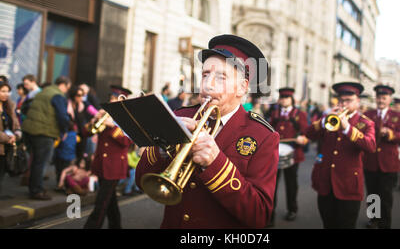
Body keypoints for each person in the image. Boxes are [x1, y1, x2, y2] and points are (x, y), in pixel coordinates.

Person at [135, 34, 280, 228]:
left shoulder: (262, 136)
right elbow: (141, 180)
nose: (207, 85)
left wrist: (215, 163)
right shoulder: (180, 115)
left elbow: (259, 215)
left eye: (220, 77)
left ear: (242, 88)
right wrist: (162, 146)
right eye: (205, 75)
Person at [305, 82, 376, 229]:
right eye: (341, 100)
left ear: (357, 101)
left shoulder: (365, 123)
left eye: (349, 101)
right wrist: (324, 120)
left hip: (348, 185)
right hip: (325, 182)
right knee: (328, 223)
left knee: (346, 225)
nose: (344, 104)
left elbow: (371, 146)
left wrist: (348, 128)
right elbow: (309, 134)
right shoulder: (328, 118)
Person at [84, 85, 134, 229]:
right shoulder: (105, 113)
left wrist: (112, 126)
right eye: (111, 97)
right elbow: (87, 133)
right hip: (101, 164)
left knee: (101, 204)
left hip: (114, 167)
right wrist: (94, 120)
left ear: (121, 100)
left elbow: (126, 142)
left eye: (114, 98)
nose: (111, 100)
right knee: (110, 201)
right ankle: (116, 225)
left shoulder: (127, 117)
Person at [363, 85, 400, 229]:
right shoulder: (368, 114)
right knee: (372, 195)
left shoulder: (398, 116)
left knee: (386, 197)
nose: (380, 101)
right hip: (371, 162)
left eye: (384, 98)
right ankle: (373, 219)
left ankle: (384, 224)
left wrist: (390, 133)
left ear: (389, 100)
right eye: (379, 98)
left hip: (389, 164)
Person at [21, 76, 71, 200]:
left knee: (35, 161)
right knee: (41, 162)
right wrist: (64, 130)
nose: (66, 91)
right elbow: (62, 116)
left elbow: (26, 108)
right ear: (64, 85)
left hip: (30, 130)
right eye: (67, 88)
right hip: (44, 132)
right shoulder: (58, 95)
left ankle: (34, 187)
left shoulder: (44, 92)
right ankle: (36, 190)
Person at [268, 87, 309, 224]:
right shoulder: (274, 113)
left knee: (291, 184)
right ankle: (270, 214)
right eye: (282, 97)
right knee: (272, 185)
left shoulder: (300, 114)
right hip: (275, 153)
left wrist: (301, 138)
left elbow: (305, 133)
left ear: (291, 99)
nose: (284, 100)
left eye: (286, 97)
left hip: (293, 154)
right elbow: (269, 129)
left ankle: (292, 209)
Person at [0, 81, 22, 196]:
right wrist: (6, 138)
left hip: (6, 149)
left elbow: (17, 125)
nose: (6, 94)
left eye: (8, 91)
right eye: (2, 91)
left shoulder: (9, 106)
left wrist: (16, 135)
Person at [53, 120, 78, 186]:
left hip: (60, 155)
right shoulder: (75, 136)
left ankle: (59, 183)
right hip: (70, 157)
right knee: (67, 171)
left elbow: (55, 145)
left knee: (59, 170)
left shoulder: (62, 135)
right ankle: (66, 184)